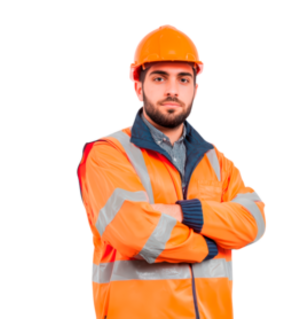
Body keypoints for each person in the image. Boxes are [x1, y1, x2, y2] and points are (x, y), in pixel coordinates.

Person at [78, 24, 268, 319]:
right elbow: (134, 233)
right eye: (159, 77)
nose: (171, 89)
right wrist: (211, 244)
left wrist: (185, 213)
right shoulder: (108, 153)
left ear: (196, 88)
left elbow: (254, 222)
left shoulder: (217, 159)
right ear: (138, 87)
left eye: (183, 79)